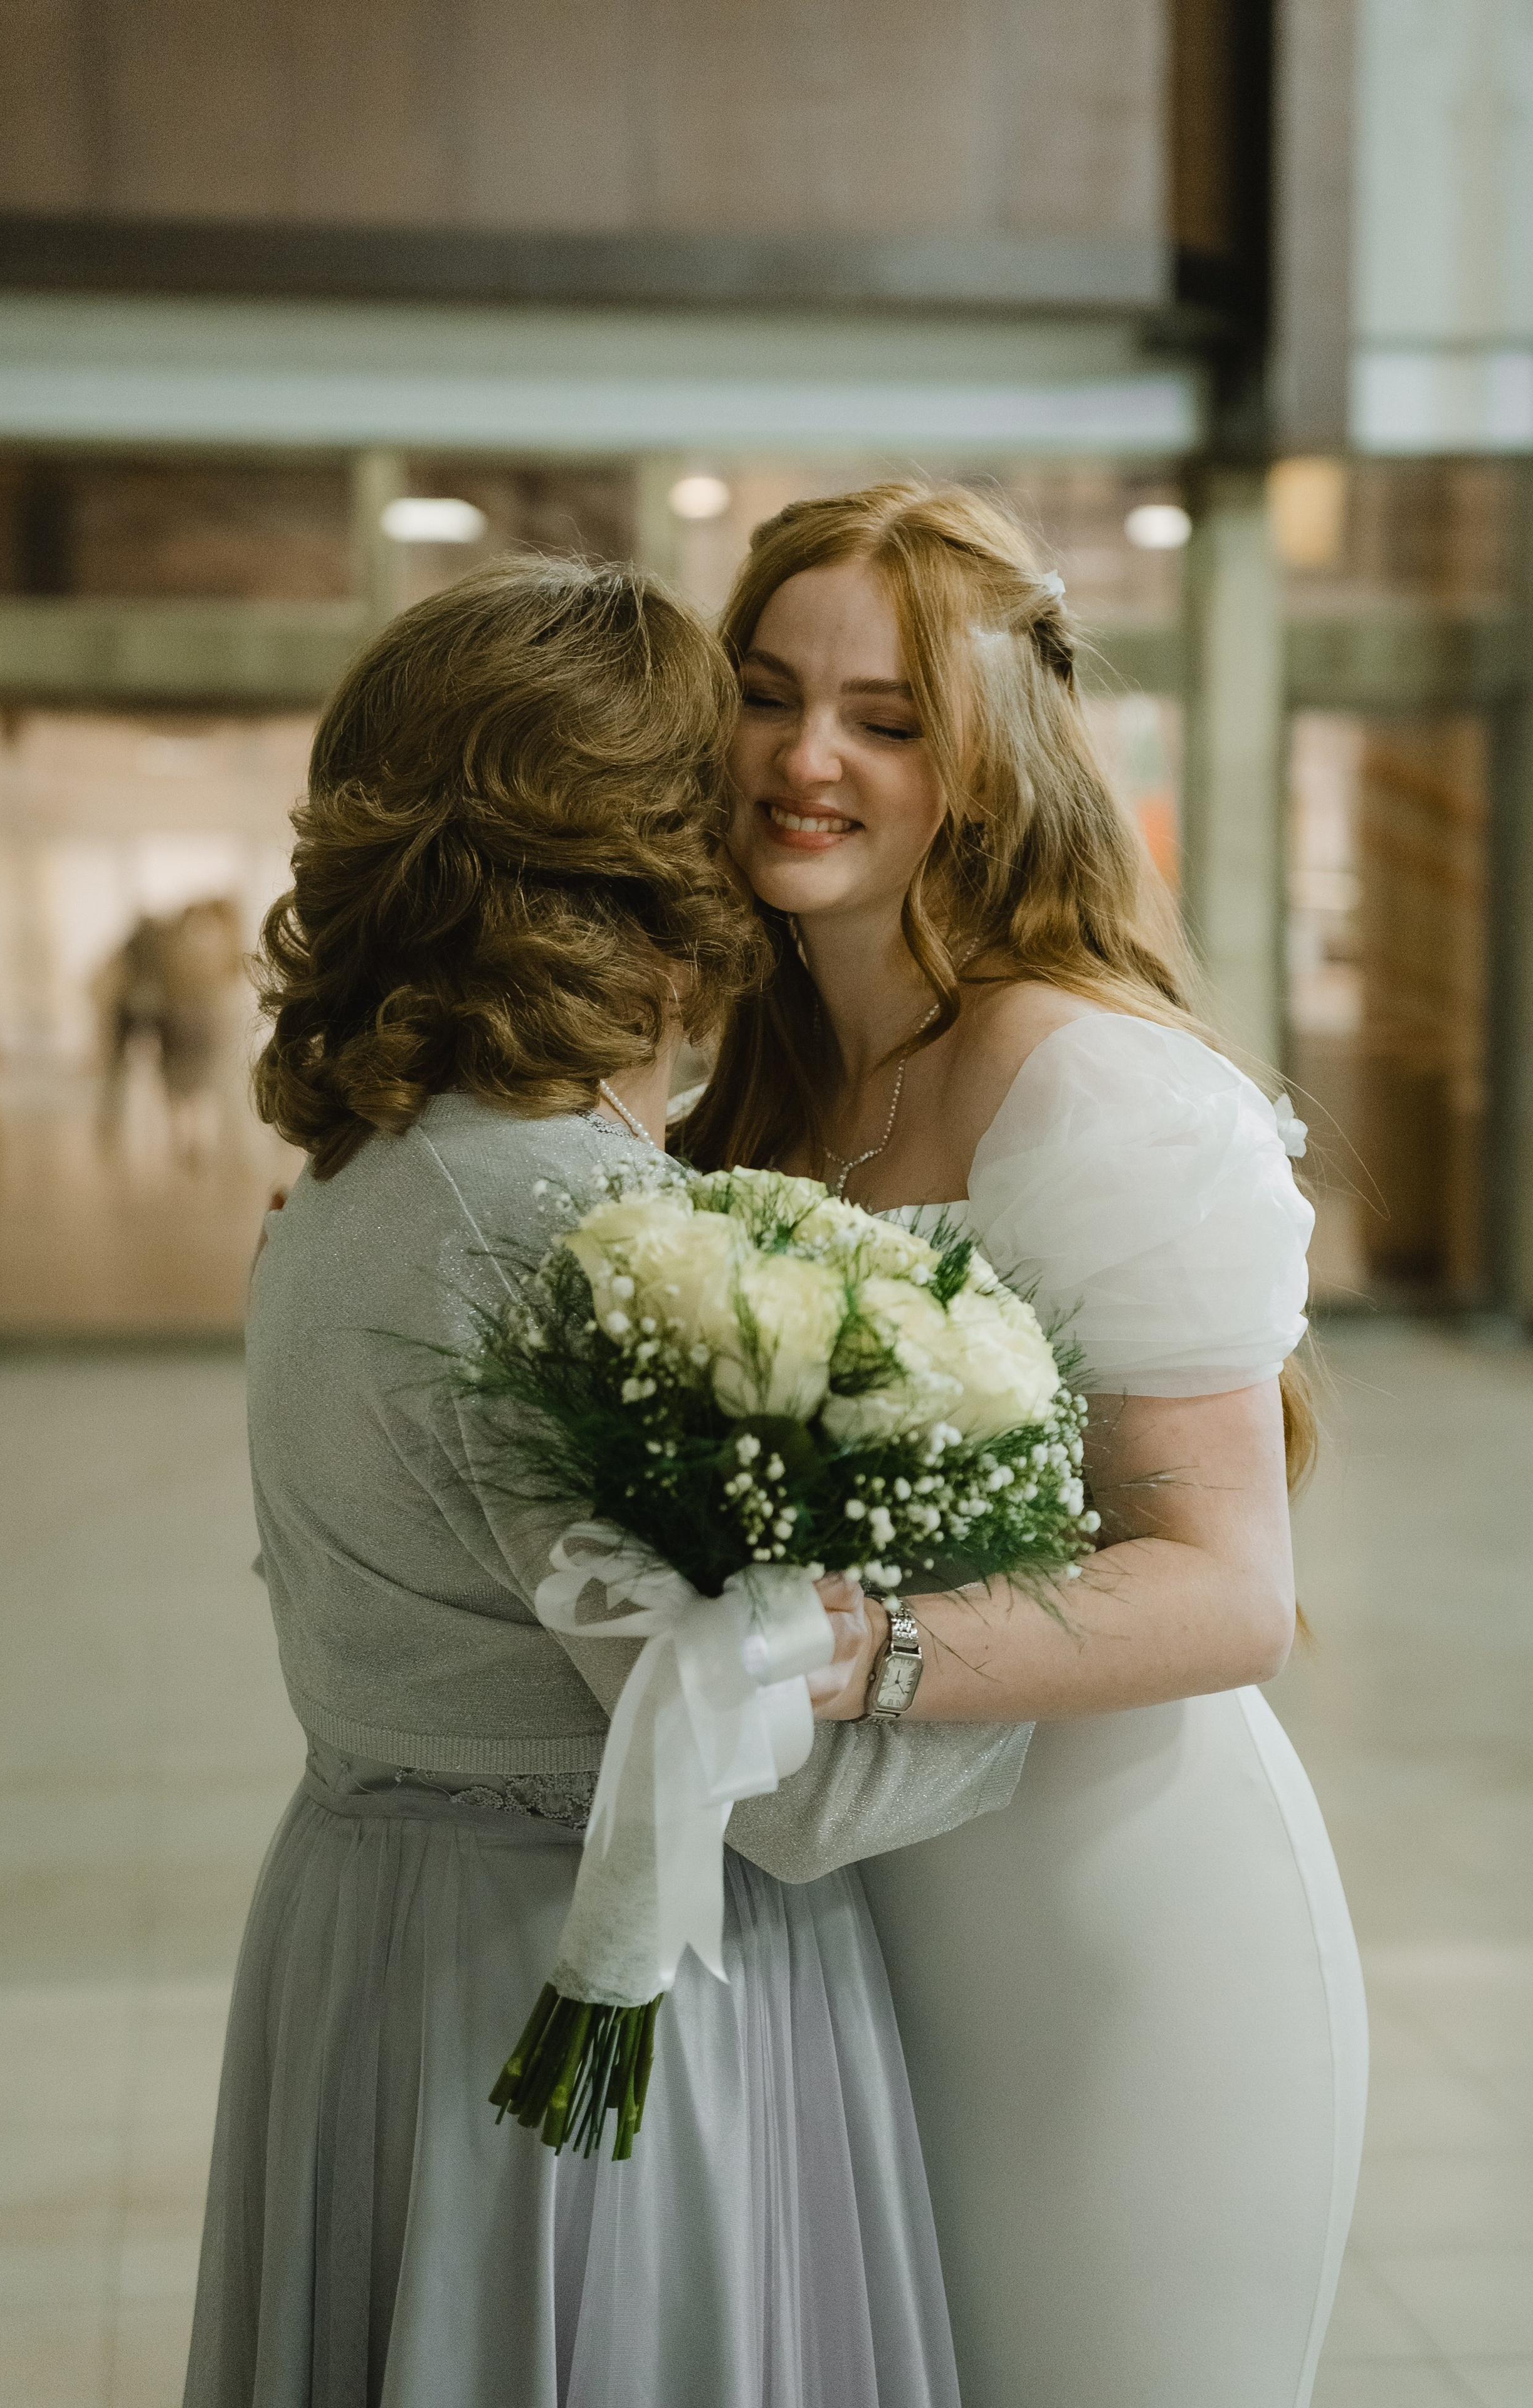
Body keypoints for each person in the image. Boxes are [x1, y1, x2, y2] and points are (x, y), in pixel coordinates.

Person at [184, 558, 1033, 2408]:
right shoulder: (571, 1223)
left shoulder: (359, 1175)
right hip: (576, 1968)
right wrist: (1038, 1649)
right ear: (652, 853)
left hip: (368, 1924)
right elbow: (775, 1797)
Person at [684, 482, 1368, 2408]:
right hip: (860, 1917)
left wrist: (855, 1653)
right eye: (768, 694)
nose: (809, 758)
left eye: (889, 719)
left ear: (985, 766)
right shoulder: (761, 1086)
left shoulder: (1085, 1079)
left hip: (1112, 1920)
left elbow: (1231, 1589)